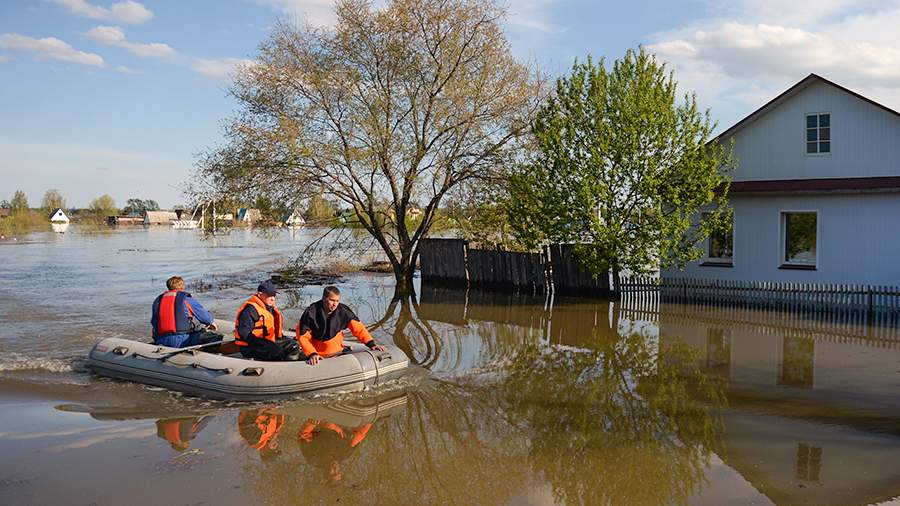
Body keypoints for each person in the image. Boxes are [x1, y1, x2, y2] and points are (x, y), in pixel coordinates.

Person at [296, 286, 386, 365]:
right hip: (318, 355)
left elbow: (358, 329)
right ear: (324, 298)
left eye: (337, 301)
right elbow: (303, 336)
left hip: (338, 353)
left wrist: (371, 344)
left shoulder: (343, 311)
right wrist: (312, 354)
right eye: (332, 300)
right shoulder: (311, 313)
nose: (335, 304)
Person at [235, 279, 300, 361]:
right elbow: (244, 335)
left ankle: (291, 359)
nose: (273, 299)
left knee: (293, 344)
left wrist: (276, 340)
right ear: (260, 294)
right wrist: (265, 343)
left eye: (274, 295)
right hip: (249, 347)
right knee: (277, 351)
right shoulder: (250, 310)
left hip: (267, 341)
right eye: (269, 295)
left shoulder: (268, 307)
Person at [151, 276, 221, 348]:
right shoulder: (186, 299)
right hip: (182, 340)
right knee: (213, 337)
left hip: (161, 340)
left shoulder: (158, 301)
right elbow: (205, 318)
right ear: (182, 286)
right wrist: (212, 323)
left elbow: (154, 323)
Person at [298, 418, 373, 485]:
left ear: (325, 474)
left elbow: (303, 436)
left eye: (333, 473)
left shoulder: (313, 458)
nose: (335, 469)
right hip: (342, 418)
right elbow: (360, 434)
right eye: (338, 472)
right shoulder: (345, 453)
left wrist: (312, 423)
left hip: (320, 418)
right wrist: (370, 420)